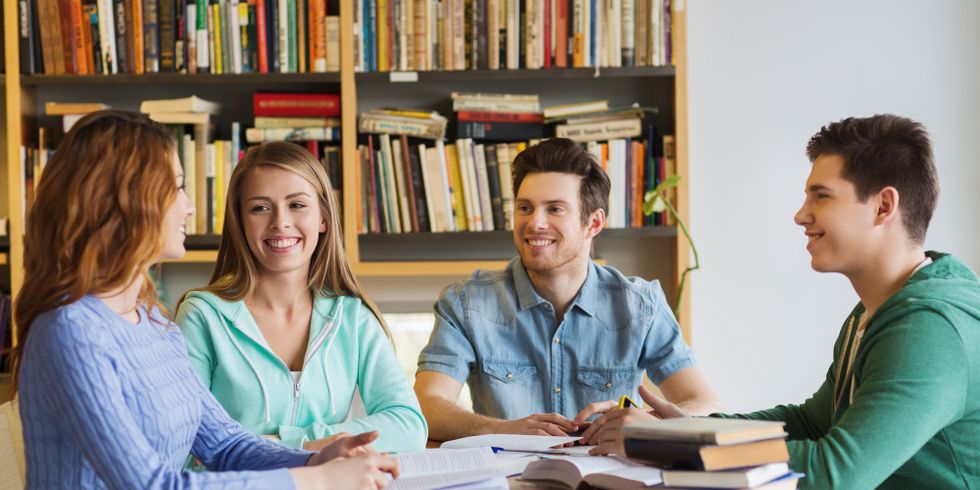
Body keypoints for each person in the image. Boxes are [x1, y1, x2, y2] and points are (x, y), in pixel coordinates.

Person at [11, 110, 399, 489]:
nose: (189, 207)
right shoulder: (69, 333)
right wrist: (317, 480)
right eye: (176, 187)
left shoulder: (152, 322)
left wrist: (317, 460)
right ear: (125, 202)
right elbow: (151, 485)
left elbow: (226, 445)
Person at [590, 115, 980, 488]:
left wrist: (664, 444)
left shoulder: (929, 327)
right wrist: (684, 428)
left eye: (821, 197)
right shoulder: (872, 312)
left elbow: (835, 474)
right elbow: (812, 423)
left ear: (883, 206)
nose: (801, 215)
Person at [414, 138, 722, 442]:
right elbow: (426, 406)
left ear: (594, 223)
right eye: (525, 207)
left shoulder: (641, 305)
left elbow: (706, 404)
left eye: (555, 209)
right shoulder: (465, 304)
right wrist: (502, 429)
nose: (535, 222)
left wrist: (648, 424)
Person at [176, 142, 427, 453]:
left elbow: (409, 426)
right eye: (260, 208)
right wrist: (313, 447)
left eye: (296, 205)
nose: (280, 222)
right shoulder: (202, 317)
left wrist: (300, 443)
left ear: (323, 218)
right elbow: (186, 444)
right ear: (240, 222)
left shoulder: (353, 318)